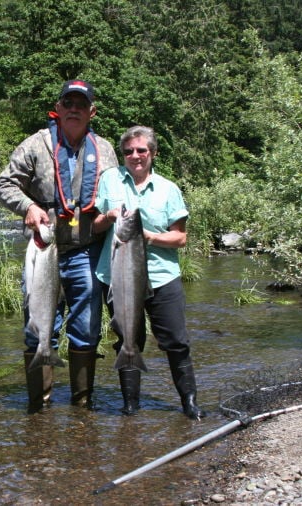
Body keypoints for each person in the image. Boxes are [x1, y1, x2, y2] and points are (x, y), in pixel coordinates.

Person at [0, 80, 119, 413]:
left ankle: (82, 405)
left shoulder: (105, 149)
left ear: (91, 111)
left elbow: (115, 196)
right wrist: (28, 207)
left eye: (81, 104)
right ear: (59, 108)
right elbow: (4, 184)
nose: (74, 109)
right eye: (68, 103)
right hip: (43, 250)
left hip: (87, 250)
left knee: (86, 328)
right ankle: (39, 406)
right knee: (37, 328)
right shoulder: (36, 144)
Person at [92, 125, 206, 420]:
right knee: (128, 338)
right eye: (129, 151)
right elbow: (95, 225)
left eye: (142, 150)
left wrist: (147, 237)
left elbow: (180, 238)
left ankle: (189, 404)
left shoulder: (169, 189)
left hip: (162, 276)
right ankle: (130, 406)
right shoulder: (110, 180)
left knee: (176, 341)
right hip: (117, 275)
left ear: (153, 153)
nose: (135, 156)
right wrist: (109, 217)